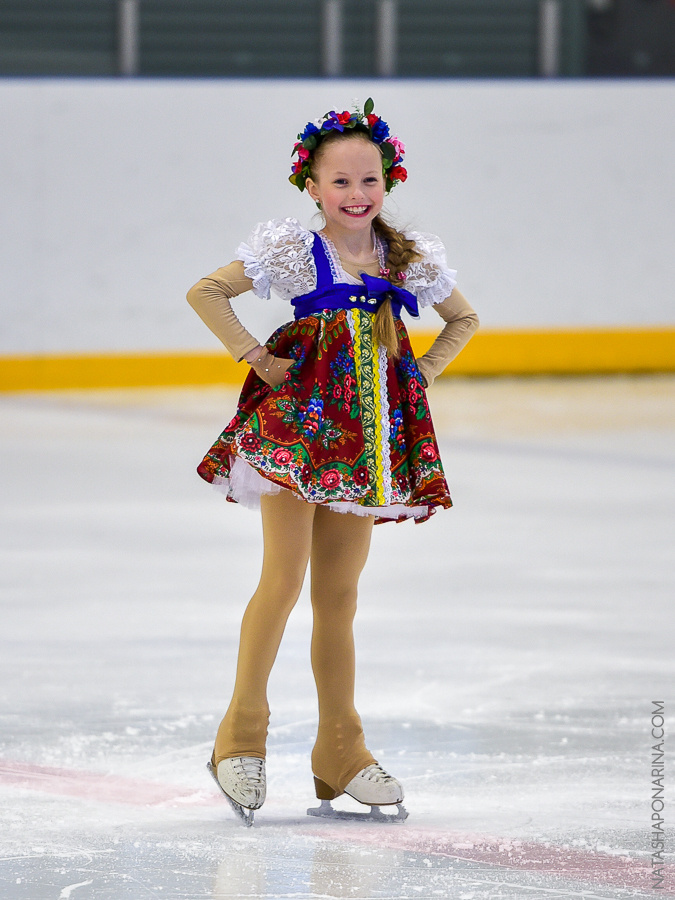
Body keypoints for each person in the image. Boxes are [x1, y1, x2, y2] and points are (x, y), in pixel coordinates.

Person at [187, 99, 479, 823]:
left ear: (388, 180)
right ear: (311, 187)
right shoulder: (294, 249)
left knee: (339, 598)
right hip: (295, 435)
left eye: (369, 181)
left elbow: (463, 319)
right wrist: (255, 356)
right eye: (340, 183)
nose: (356, 196)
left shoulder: (406, 257)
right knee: (282, 581)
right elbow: (207, 291)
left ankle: (338, 749)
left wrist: (423, 373)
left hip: (364, 446)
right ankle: (239, 737)